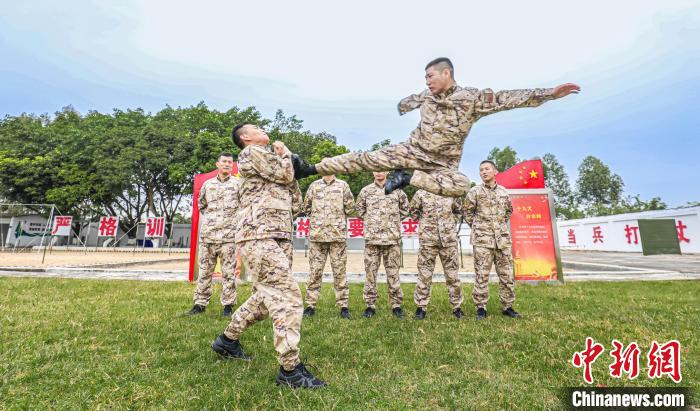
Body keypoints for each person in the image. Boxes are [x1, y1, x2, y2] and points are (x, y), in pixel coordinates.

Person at [292, 57, 580, 197]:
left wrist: (548, 94)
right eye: (425, 77)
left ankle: (408, 178)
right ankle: (311, 169)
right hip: (412, 150)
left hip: (443, 163)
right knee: (365, 159)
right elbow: (411, 100)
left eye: (430, 75)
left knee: (462, 185)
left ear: (447, 73)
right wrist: (405, 104)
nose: (427, 81)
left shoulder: (473, 99)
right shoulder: (425, 95)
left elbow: (507, 99)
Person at [211, 124, 326, 389]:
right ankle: (290, 370)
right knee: (286, 295)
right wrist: (286, 154)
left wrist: (287, 163)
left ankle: (227, 341)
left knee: (265, 297)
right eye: (256, 128)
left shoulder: (268, 162)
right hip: (259, 233)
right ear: (245, 138)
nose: (263, 129)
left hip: (278, 234)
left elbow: (295, 197)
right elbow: (287, 173)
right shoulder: (252, 153)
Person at [464, 160, 520, 320]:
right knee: (481, 275)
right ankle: (481, 307)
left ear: (495, 171)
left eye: (487, 169)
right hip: (483, 241)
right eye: (481, 170)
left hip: (502, 241)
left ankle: (507, 306)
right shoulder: (474, 192)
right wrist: (480, 228)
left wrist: (499, 227)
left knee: (507, 275)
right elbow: (467, 212)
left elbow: (508, 211)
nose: (484, 172)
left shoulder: (504, 192)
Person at [187, 152, 239, 317]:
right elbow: (201, 204)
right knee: (204, 272)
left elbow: (244, 206)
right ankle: (200, 304)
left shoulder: (238, 185)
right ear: (217, 164)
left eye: (230, 162)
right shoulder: (207, 185)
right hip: (208, 236)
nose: (227, 165)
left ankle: (228, 305)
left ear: (232, 165)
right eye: (224, 162)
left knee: (229, 273)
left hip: (229, 237)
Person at [301, 171, 355, 319]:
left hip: (337, 237)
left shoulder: (343, 186)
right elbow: (306, 207)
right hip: (317, 237)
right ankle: (310, 305)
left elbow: (350, 208)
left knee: (339, 272)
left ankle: (343, 306)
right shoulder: (314, 186)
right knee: (315, 272)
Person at [355, 171, 409, 318]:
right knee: (370, 274)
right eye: (376, 169)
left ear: (387, 172)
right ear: (372, 171)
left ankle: (396, 305)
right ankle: (370, 305)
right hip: (372, 240)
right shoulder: (366, 191)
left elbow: (405, 210)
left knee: (393, 274)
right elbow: (360, 211)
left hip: (392, 239)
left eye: (382, 169)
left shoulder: (397, 190)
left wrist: (392, 223)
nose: (379, 172)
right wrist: (373, 222)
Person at [410, 190, 464, 319]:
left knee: (452, 275)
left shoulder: (451, 191)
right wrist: (425, 224)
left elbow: (459, 211)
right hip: (428, 240)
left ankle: (457, 307)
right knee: (424, 275)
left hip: (448, 240)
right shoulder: (421, 193)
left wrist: (449, 224)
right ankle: (421, 307)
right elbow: (413, 211)